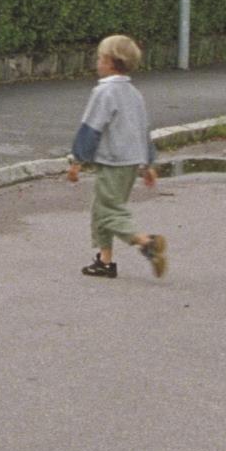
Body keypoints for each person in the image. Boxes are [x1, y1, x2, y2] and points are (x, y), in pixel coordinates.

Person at [64, 33, 165, 279]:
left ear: (110, 62)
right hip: (131, 162)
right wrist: (148, 163)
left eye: (100, 58)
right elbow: (143, 129)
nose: (97, 62)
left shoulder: (104, 92)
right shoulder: (134, 93)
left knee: (109, 211)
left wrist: (77, 160)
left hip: (112, 161)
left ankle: (146, 242)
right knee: (101, 208)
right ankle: (104, 260)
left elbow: (91, 128)